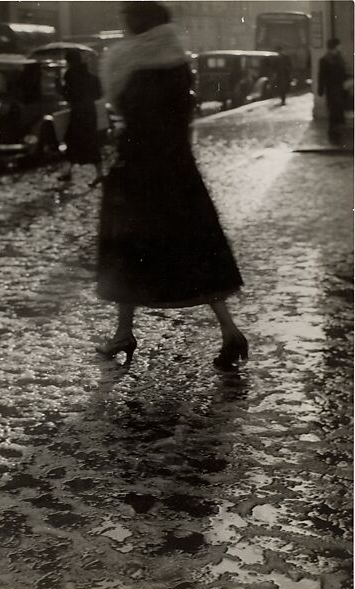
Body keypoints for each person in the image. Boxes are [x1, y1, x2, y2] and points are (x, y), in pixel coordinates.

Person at [96, 1, 247, 371]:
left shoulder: (125, 62)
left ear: (139, 22)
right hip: (179, 174)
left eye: (129, 17)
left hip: (139, 175)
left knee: (128, 252)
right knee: (196, 251)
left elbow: (132, 119)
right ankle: (229, 330)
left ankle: (123, 333)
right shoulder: (178, 61)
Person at [59, 49, 103, 187]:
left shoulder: (70, 75)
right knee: (91, 142)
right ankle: (99, 173)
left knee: (71, 140)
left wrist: (57, 85)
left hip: (78, 113)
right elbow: (98, 94)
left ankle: (67, 172)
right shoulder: (91, 76)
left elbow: (67, 95)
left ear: (69, 62)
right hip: (90, 112)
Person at [318, 38, 347, 142]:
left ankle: (337, 133)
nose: (341, 47)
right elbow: (321, 76)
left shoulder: (339, 57)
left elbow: (343, 73)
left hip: (340, 89)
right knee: (334, 111)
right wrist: (320, 89)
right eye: (339, 45)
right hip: (332, 89)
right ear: (335, 46)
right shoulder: (325, 59)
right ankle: (333, 134)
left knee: (338, 111)